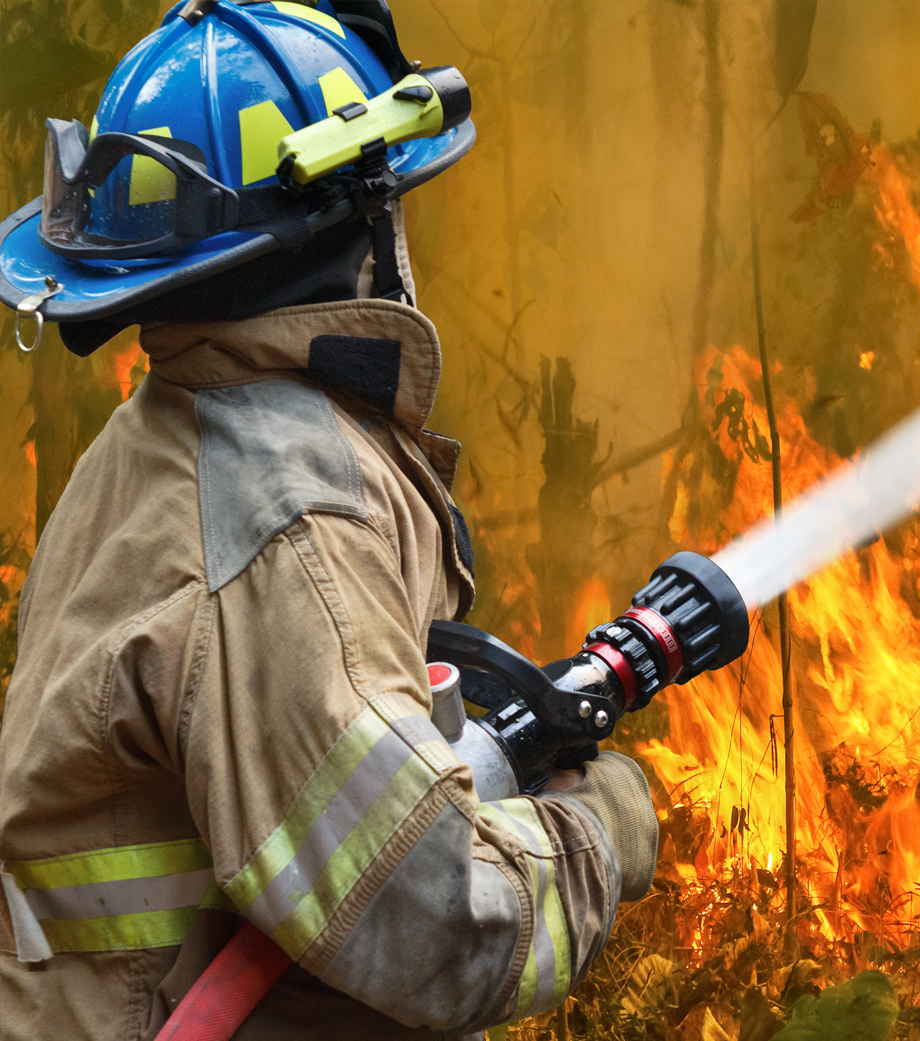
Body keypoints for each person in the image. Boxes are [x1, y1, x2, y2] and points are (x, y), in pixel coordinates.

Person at [0, 2, 659, 1037]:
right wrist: (601, 830)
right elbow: (439, 921)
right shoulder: (288, 516)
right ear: (358, 222)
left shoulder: (167, 434)